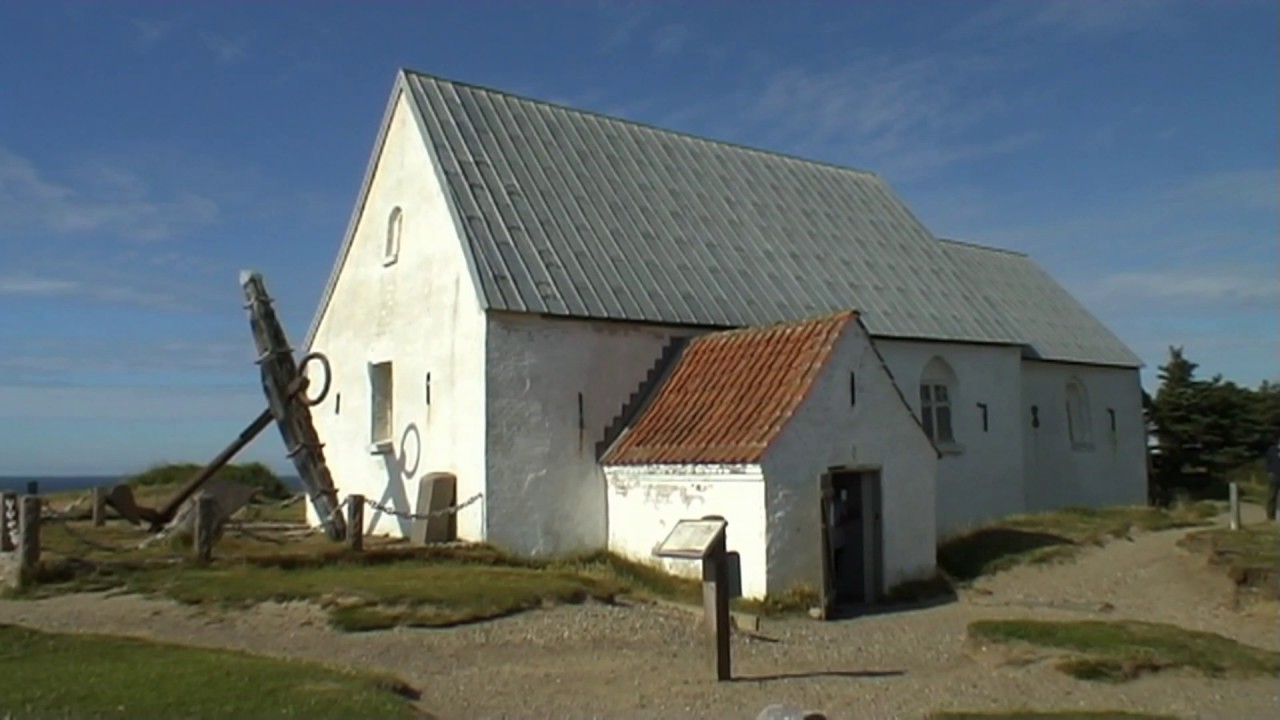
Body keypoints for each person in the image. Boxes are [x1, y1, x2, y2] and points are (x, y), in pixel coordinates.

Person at [1266, 435, 1280, 522]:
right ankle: (1270, 516)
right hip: (1274, 475)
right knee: (1272, 495)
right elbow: (1268, 460)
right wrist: (1269, 471)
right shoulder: (1272, 450)